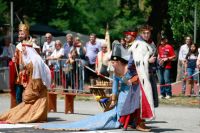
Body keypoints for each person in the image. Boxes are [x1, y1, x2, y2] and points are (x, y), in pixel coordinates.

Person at [37, 41, 134, 131]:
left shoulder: (129, 70)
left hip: (131, 92)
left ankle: (130, 122)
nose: (112, 64)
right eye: (111, 62)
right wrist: (113, 99)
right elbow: (115, 86)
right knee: (120, 103)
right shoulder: (116, 72)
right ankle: (122, 121)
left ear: (120, 62)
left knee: (127, 102)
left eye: (114, 63)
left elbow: (132, 82)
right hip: (122, 94)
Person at [0, 41, 51, 123]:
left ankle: (35, 116)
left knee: (31, 102)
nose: (23, 52)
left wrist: (35, 89)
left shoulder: (35, 60)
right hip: (33, 84)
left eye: (24, 50)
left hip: (38, 85)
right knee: (25, 104)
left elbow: (37, 76)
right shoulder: (30, 59)